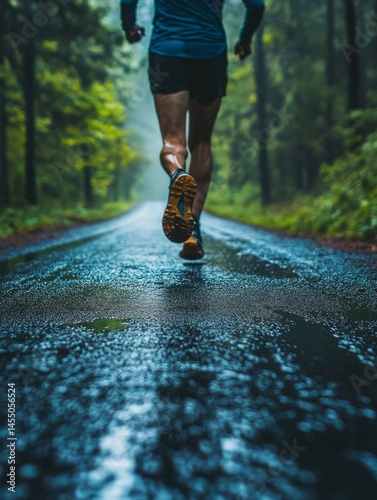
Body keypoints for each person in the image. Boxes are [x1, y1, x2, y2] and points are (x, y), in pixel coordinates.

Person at [120, 0, 265, 260]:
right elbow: (256, 5)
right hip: (210, 52)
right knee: (202, 143)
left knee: (173, 141)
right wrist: (245, 40)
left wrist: (129, 28)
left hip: (167, 51)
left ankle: (177, 175)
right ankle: (192, 230)